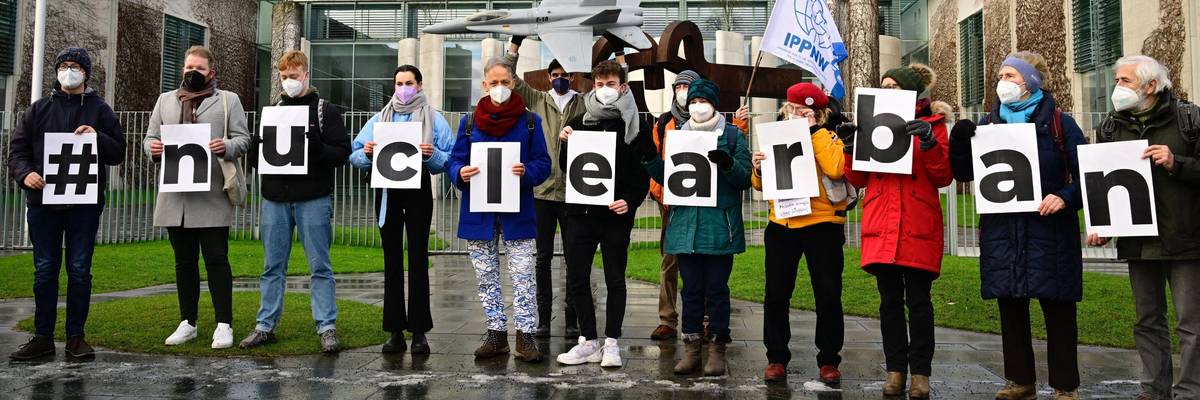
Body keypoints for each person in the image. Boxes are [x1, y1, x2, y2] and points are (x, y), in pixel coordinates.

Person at [948, 51, 1086, 400]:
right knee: (1010, 307)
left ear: (1031, 83)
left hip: (1049, 229)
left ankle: (1065, 386)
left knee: (1058, 310)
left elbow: (1087, 174)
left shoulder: (1060, 124)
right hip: (1003, 231)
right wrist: (960, 142)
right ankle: (1020, 381)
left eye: (1010, 75)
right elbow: (966, 175)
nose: (1002, 83)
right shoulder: (988, 124)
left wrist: (1065, 197)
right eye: (1001, 75)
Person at [1088, 55, 1200, 400]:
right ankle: (1154, 389)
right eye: (1117, 80)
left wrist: (1176, 162)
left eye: (1125, 81)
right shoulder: (1112, 125)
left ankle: (1189, 391)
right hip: (1139, 240)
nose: (1117, 88)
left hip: (1186, 238)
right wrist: (1103, 224)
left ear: (1151, 86)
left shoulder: (1189, 119)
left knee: (1190, 324)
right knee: (1147, 321)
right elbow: (1104, 180)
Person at [839, 63, 953, 399]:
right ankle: (895, 370)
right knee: (889, 302)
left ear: (910, 92)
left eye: (893, 86)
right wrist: (849, 149)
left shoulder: (934, 124)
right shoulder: (871, 123)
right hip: (883, 223)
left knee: (919, 302)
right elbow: (858, 179)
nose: (886, 89)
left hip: (917, 223)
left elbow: (944, 176)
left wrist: (930, 143)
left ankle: (920, 374)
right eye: (883, 85)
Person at [7, 47, 126, 360]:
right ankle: (42, 336)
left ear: (86, 73)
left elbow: (118, 153)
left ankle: (76, 337)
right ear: (57, 71)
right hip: (43, 204)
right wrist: (25, 174)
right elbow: (17, 152)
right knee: (44, 270)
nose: (69, 71)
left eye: (75, 66)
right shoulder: (38, 110)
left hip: (84, 207)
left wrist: (97, 136)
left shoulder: (101, 110)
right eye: (64, 66)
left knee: (79, 270)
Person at [239, 50, 351, 353]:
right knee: (272, 266)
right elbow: (261, 160)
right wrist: (256, 149)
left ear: (306, 75)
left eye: (294, 75)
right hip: (275, 198)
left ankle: (326, 326)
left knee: (320, 266)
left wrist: (316, 147)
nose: (289, 81)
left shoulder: (325, 111)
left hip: (312, 198)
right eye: (284, 76)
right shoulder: (272, 110)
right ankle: (265, 325)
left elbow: (342, 153)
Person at [144, 46, 252, 350]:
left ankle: (224, 324)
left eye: (200, 68)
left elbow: (243, 138)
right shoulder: (165, 100)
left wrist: (226, 146)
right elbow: (151, 136)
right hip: (176, 196)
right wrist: (151, 149)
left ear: (211, 72)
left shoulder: (228, 100)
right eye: (189, 66)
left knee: (217, 259)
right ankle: (187, 322)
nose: (193, 72)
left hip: (212, 194)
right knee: (184, 262)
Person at [643, 78, 751, 376]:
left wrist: (727, 163)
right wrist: (649, 160)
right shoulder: (678, 135)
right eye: (692, 102)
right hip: (685, 224)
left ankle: (717, 348)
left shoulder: (731, 136)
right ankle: (691, 348)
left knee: (716, 290)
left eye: (702, 101)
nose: (697, 106)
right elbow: (670, 177)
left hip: (719, 225)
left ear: (714, 103)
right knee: (690, 290)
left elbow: (744, 179)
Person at [447, 57, 551, 363]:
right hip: (479, 214)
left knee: (523, 276)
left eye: (505, 82)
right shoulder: (469, 123)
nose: (499, 88)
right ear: (484, 85)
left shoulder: (530, 122)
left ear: (514, 82)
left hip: (517, 212)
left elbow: (544, 164)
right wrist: (459, 172)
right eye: (493, 83)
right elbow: (454, 160)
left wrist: (527, 171)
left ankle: (526, 336)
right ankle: (495, 335)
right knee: (486, 276)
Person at [348, 65, 454, 355]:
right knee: (392, 261)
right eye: (399, 83)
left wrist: (432, 156)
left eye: (409, 83)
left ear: (419, 85)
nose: (403, 88)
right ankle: (394, 331)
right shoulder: (380, 118)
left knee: (418, 259)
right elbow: (354, 153)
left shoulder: (434, 119)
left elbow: (451, 157)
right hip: (387, 193)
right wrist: (366, 154)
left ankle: (419, 331)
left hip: (418, 189)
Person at [750, 83, 850, 384]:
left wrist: (813, 132)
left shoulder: (828, 137)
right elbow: (758, 185)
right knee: (776, 294)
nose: (797, 114)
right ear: (785, 109)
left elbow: (836, 169)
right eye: (793, 109)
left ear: (819, 114)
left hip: (822, 225)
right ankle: (776, 357)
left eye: (806, 111)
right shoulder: (774, 136)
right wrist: (757, 169)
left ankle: (829, 359)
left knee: (828, 294)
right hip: (783, 224)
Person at [553, 60, 650, 368]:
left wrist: (630, 201)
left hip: (614, 216)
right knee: (577, 278)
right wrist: (566, 144)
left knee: (614, 279)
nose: (604, 90)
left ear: (623, 87)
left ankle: (611, 342)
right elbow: (569, 168)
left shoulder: (634, 125)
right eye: (598, 84)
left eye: (610, 84)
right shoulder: (581, 120)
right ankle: (589, 340)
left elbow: (643, 173)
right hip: (581, 214)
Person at [505, 35, 584, 338]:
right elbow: (510, 78)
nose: (560, 80)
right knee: (542, 258)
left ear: (572, 77)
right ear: (549, 78)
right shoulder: (538, 100)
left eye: (565, 75)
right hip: (541, 191)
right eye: (555, 76)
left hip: (573, 192)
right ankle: (543, 318)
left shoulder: (583, 103)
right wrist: (514, 45)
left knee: (576, 258)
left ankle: (573, 318)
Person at [648, 70, 701, 341]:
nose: (682, 90)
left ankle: (703, 319)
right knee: (670, 259)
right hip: (669, 200)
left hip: (700, 199)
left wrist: (739, 126)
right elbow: (656, 161)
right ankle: (667, 319)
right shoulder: (663, 123)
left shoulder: (707, 120)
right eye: (678, 85)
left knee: (701, 258)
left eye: (686, 86)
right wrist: (660, 193)